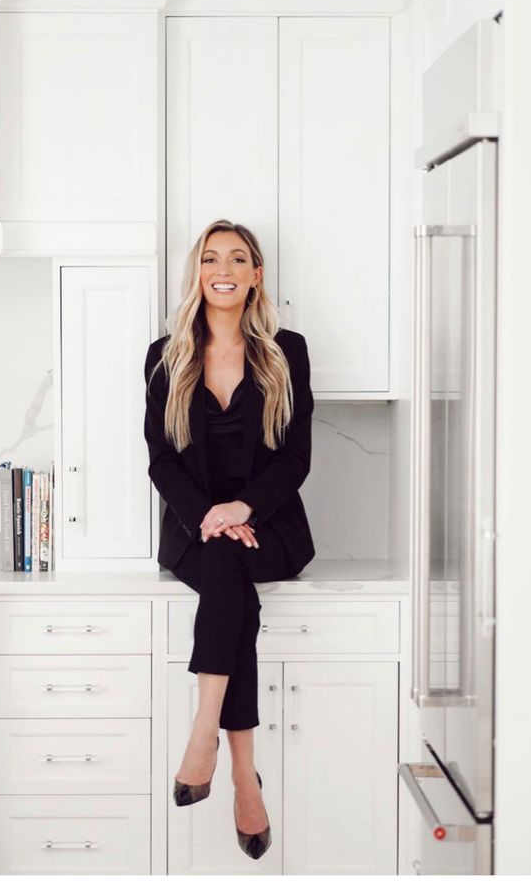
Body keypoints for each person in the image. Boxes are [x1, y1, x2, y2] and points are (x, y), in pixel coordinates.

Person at [143, 218, 315, 859]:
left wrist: (242, 507)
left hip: (272, 527)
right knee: (225, 572)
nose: (224, 269)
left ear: (255, 275)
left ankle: (203, 734)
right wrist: (210, 516)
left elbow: (295, 456)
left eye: (238, 259)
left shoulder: (286, 351)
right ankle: (245, 776)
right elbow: (161, 460)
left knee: (228, 572)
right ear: (198, 273)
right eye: (212, 258)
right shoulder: (167, 356)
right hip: (195, 529)